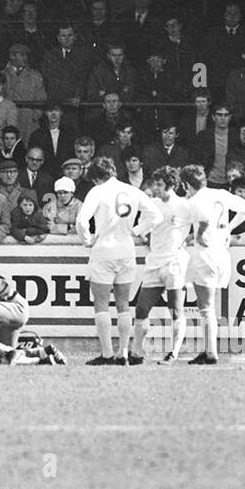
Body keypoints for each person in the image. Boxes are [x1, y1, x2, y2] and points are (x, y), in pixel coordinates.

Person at [76, 155, 163, 365]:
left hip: (104, 248)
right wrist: (137, 230)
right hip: (126, 249)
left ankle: (107, 353)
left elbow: (81, 220)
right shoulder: (132, 190)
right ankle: (123, 352)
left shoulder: (97, 191)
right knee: (124, 304)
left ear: (96, 177)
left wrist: (87, 240)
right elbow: (156, 215)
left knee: (102, 305)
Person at [180, 163, 245, 365]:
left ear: (186, 184)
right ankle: (209, 350)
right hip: (222, 253)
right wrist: (228, 228)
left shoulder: (194, 201)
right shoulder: (220, 193)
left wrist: (197, 235)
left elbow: (202, 221)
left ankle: (210, 352)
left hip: (206, 254)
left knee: (205, 307)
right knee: (210, 306)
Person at [134, 166, 194, 363]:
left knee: (176, 310)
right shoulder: (151, 204)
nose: (156, 188)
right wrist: (144, 236)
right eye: (154, 184)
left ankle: (173, 352)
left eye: (160, 184)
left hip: (174, 261)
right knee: (141, 309)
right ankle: (137, 352)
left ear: (171, 185)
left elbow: (202, 223)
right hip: (154, 261)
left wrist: (188, 239)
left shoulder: (184, 206)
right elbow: (143, 228)